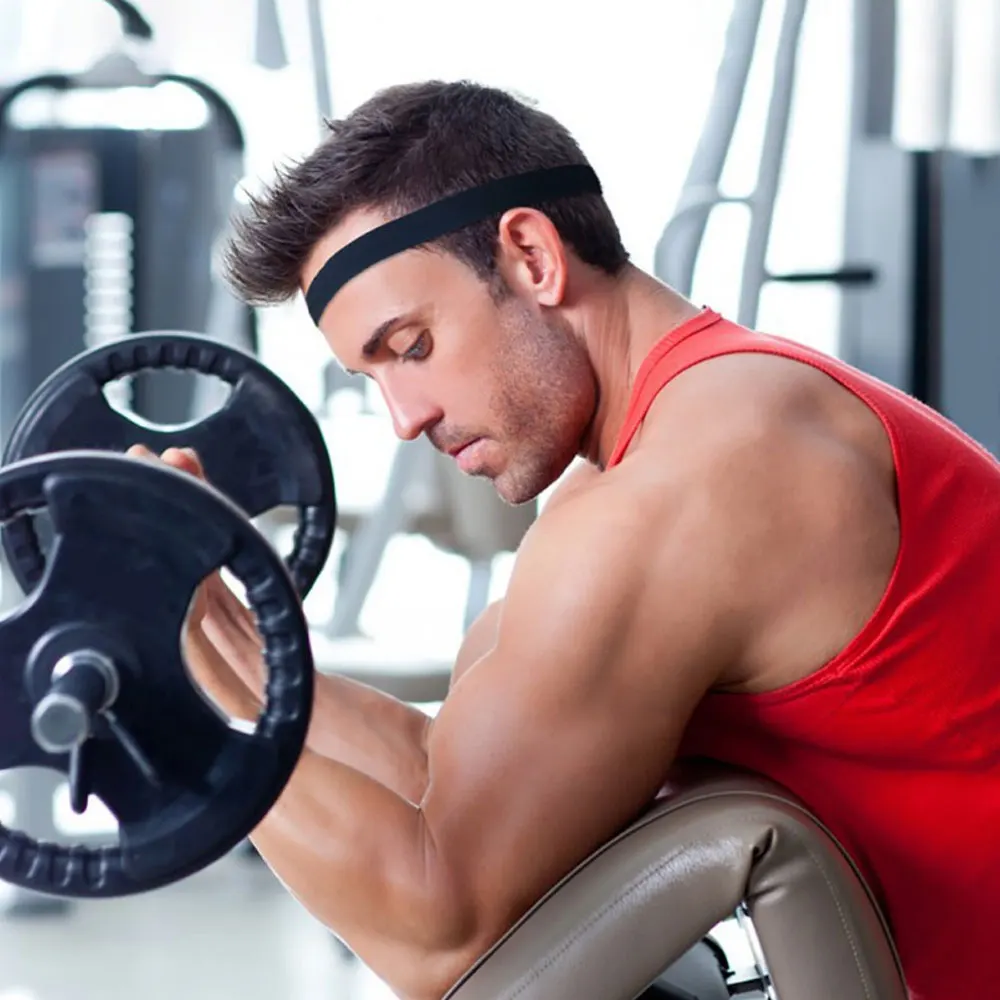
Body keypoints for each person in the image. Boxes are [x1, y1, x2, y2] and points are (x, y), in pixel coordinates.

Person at [141, 80, 1000, 1000]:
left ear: (530, 256)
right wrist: (205, 630)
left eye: (412, 346)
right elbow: (445, 778)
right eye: (373, 373)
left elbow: (442, 938)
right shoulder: (667, 446)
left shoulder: (698, 484)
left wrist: (165, 712)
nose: (403, 417)